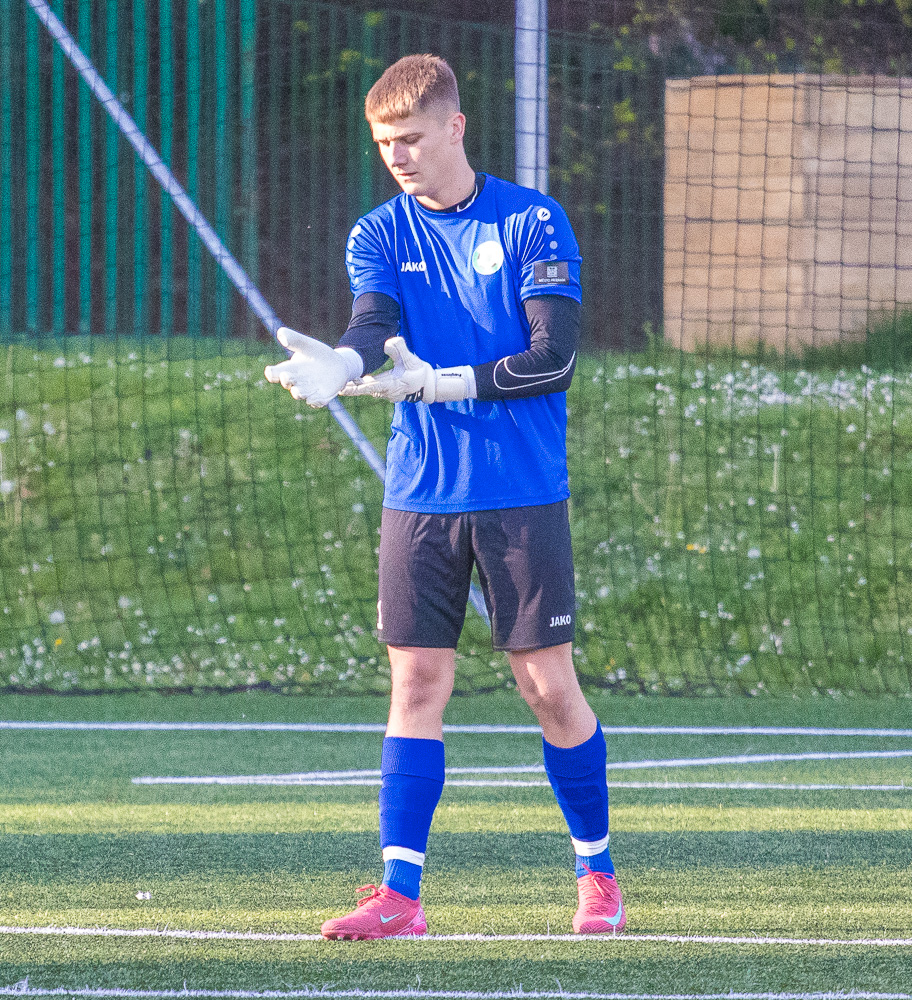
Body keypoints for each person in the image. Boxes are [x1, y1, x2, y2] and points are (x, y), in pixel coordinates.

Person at [265, 53, 625, 939]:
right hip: (420, 493)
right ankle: (399, 895)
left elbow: (554, 358)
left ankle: (598, 876)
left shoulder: (534, 220)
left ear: (456, 127)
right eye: (384, 142)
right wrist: (342, 364)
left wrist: (445, 383)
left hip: (521, 491)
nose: (398, 155)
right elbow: (373, 324)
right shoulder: (377, 232)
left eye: (412, 137)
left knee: (546, 686)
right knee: (417, 679)